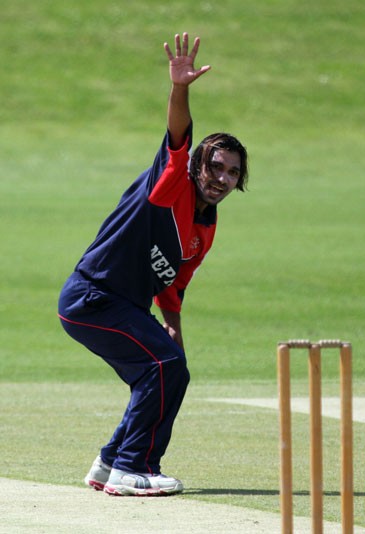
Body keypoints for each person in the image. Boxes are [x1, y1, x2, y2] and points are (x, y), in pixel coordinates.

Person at [58, 32, 248, 497]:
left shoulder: (206, 225)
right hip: (93, 297)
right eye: (215, 166)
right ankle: (134, 468)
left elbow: (174, 282)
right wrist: (180, 88)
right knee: (164, 367)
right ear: (196, 165)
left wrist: (173, 328)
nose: (222, 178)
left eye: (232, 172)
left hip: (120, 305)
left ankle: (110, 463)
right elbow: (179, 132)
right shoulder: (172, 181)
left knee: (165, 367)